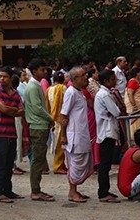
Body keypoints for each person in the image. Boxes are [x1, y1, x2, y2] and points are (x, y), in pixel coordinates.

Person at [60, 67, 95, 203]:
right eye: (83, 76)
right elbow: (63, 114)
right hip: (74, 136)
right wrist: (63, 135)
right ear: (75, 79)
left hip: (82, 134)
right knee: (75, 164)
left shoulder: (80, 92)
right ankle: (72, 192)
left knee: (83, 164)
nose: (86, 78)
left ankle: (74, 190)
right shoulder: (71, 93)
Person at [0, 67, 25, 203]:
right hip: (0, 133)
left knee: (9, 163)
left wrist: (11, 110)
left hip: (11, 133)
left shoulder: (15, 93)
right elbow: (3, 108)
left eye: (5, 77)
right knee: (1, 164)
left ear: (11, 78)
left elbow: (22, 111)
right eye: (0, 76)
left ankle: (7, 190)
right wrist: (14, 110)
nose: (2, 79)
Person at [24, 59, 55, 202]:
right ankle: (35, 190)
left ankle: (37, 189)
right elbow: (37, 108)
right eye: (42, 69)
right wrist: (50, 118)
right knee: (38, 160)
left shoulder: (34, 85)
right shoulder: (33, 87)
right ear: (35, 71)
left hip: (39, 125)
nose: (45, 72)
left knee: (39, 158)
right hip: (38, 126)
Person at [95, 70, 122, 203]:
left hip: (107, 130)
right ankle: (103, 192)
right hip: (107, 132)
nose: (115, 81)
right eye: (112, 79)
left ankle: (105, 190)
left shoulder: (104, 93)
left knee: (106, 163)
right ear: (106, 81)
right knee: (105, 164)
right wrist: (114, 111)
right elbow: (116, 111)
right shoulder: (104, 94)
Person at [48, 71, 68, 174]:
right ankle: (58, 165)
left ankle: (61, 164)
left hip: (52, 117)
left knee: (56, 142)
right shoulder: (62, 88)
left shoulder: (49, 89)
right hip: (60, 118)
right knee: (60, 143)